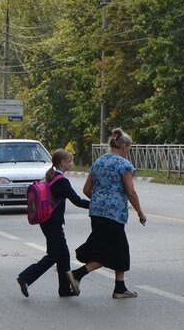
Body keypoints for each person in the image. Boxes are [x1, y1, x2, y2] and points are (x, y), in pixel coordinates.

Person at [67, 128, 146, 299]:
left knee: (119, 250)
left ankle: (120, 287)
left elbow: (87, 190)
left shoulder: (98, 162)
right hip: (114, 215)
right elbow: (131, 192)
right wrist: (140, 213)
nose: (129, 151)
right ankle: (77, 274)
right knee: (111, 250)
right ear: (124, 146)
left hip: (96, 213)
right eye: (129, 147)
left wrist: (99, 201)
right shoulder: (124, 165)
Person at [17, 150, 90, 297]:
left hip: (46, 220)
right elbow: (77, 201)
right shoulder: (62, 181)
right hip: (53, 222)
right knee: (54, 254)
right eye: (70, 161)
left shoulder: (50, 176)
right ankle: (26, 277)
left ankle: (64, 289)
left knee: (63, 254)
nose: (72, 163)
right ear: (63, 162)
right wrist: (96, 205)